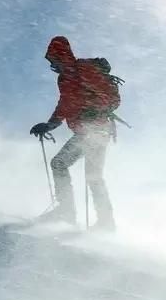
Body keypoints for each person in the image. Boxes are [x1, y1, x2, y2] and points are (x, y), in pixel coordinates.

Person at [29, 36, 124, 232]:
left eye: (54, 60)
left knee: (63, 165)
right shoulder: (65, 78)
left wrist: (97, 110)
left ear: (61, 56)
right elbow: (65, 105)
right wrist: (48, 125)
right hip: (89, 131)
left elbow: (112, 98)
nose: (52, 65)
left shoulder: (84, 70)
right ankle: (103, 222)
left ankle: (70, 213)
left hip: (96, 130)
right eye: (50, 61)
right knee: (91, 175)